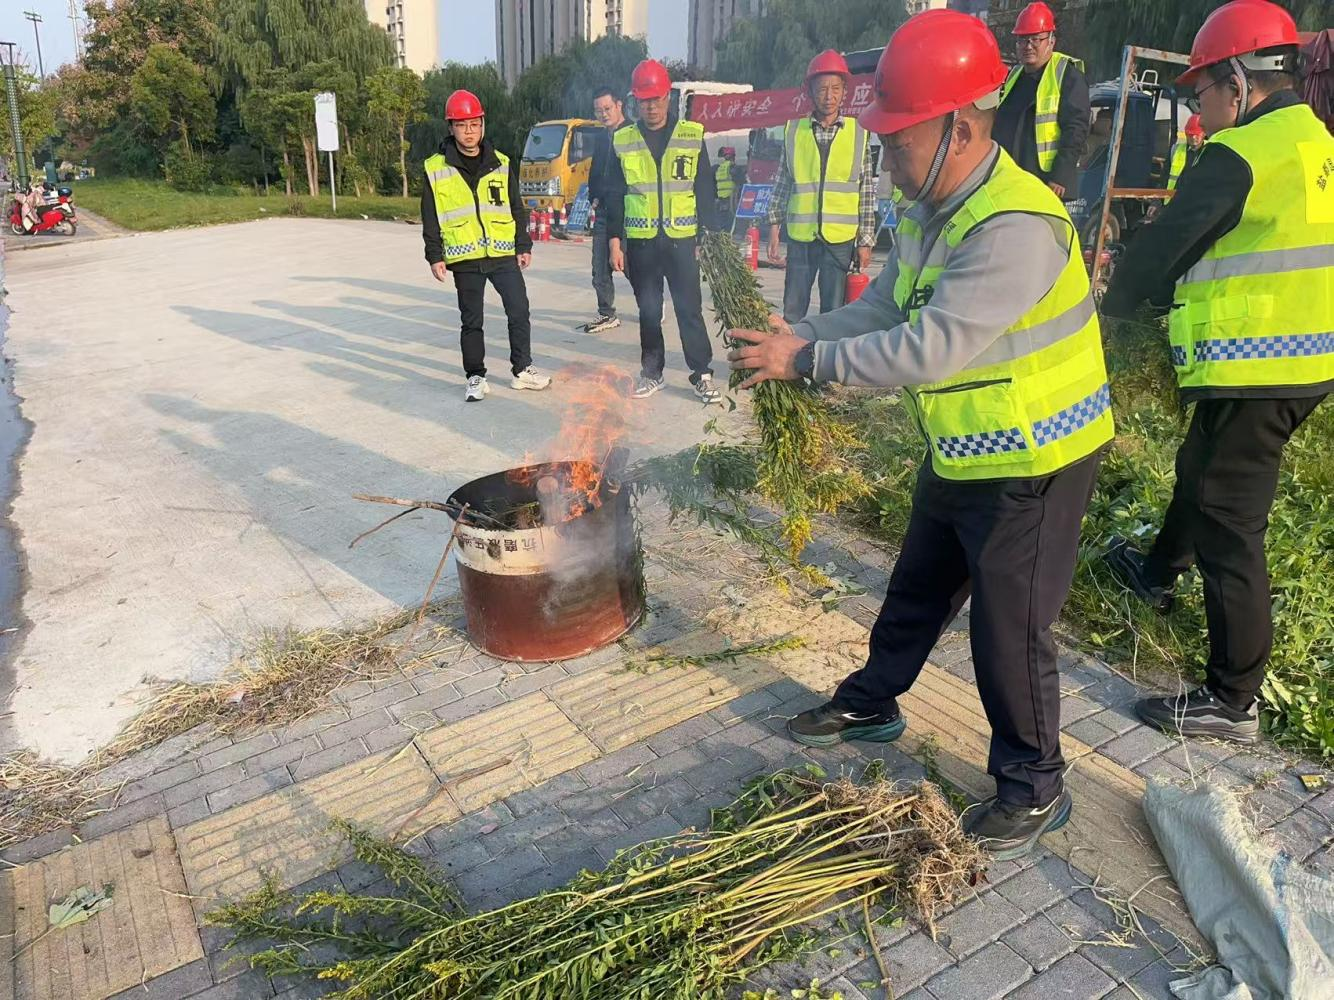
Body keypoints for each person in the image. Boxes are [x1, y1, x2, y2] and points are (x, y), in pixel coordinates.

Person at [728, 10, 1113, 860]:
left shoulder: (1015, 225)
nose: (885, 157)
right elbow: (884, 308)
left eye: (897, 139)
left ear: (960, 130)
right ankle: (874, 701)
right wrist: (800, 334)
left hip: (1036, 458)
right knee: (917, 587)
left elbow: (927, 347)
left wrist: (809, 364)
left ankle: (1035, 783)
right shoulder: (932, 207)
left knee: (1008, 630)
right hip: (968, 446)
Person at [1101, 0, 1333, 744]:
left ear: (1238, 79)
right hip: (1304, 359)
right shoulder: (1317, 142)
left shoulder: (1243, 153)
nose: (1198, 110)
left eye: (1201, 90)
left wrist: (1111, 312)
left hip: (1260, 362)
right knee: (1199, 465)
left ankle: (1233, 699)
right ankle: (1158, 573)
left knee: (1229, 519)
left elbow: (1163, 246)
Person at [420, 89, 552, 402]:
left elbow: (516, 206)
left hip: (502, 252)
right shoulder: (436, 168)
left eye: (474, 124)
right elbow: (430, 215)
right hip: (465, 256)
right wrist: (434, 255)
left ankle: (522, 369)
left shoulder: (501, 162)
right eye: (462, 125)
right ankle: (475, 377)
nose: (469, 131)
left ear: (483, 124)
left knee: (519, 309)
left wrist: (523, 244)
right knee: (472, 320)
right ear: (451, 127)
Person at [606, 59, 723, 404]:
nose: (651, 107)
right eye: (644, 101)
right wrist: (615, 242)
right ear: (635, 101)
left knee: (689, 309)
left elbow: (705, 190)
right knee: (648, 311)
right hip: (642, 244)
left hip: (681, 241)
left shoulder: (691, 135)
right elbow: (614, 195)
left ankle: (701, 372)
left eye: (656, 99)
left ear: (667, 97)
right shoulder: (623, 139)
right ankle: (651, 373)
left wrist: (708, 236)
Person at [767, 50, 878, 323]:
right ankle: (790, 349)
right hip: (801, 237)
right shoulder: (795, 131)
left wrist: (865, 240)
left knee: (833, 311)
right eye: (822, 89)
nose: (829, 96)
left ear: (844, 92)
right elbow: (782, 181)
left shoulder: (858, 132)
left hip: (839, 239)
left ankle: (824, 352)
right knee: (793, 310)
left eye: (835, 89)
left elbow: (866, 191)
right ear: (810, 92)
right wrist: (774, 227)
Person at [995, 1, 1091, 199]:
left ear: (1051, 41)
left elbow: (1076, 129)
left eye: (1035, 39)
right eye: (1022, 40)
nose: (1028, 46)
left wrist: (1060, 175)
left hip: (1046, 183)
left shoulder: (1067, 75)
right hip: (1010, 180)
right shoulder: (1014, 76)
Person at [581, 85, 627, 335]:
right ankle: (607, 313)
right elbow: (595, 170)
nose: (603, 114)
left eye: (607, 108)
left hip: (629, 211)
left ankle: (652, 305)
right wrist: (594, 196)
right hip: (604, 209)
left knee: (631, 265)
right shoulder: (601, 137)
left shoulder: (633, 134)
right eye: (598, 110)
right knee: (600, 265)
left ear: (619, 105)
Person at [1166, 114, 1206, 190]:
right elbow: (1165, 177)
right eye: (1190, 134)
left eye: (1197, 134)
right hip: (1174, 195)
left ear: (1204, 134)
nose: (1193, 137)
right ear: (1186, 134)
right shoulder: (1175, 150)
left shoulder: (1211, 151)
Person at [715, 146, 740, 225]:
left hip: (721, 196)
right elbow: (739, 179)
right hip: (730, 197)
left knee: (723, 217)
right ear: (733, 156)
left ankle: (723, 229)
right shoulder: (732, 166)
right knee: (731, 218)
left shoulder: (720, 167)